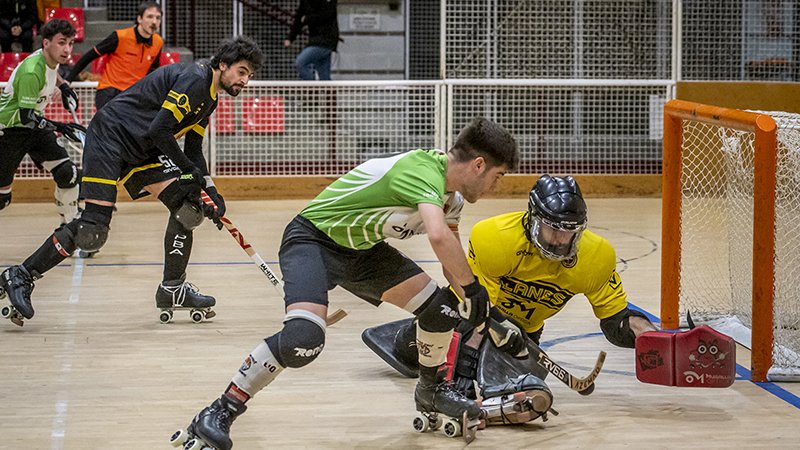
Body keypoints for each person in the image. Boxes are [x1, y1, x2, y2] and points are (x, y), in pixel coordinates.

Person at [171, 118, 520, 450]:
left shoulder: (452, 200)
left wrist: (487, 315)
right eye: (498, 176)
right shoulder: (422, 170)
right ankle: (220, 409)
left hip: (362, 252)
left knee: (442, 310)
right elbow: (438, 236)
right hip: (312, 240)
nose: (495, 186)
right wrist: (474, 291)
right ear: (478, 165)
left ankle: (432, 390)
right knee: (303, 340)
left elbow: (452, 261)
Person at [0, 36, 265, 327]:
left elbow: (191, 150)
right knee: (93, 230)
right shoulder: (194, 80)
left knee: (189, 209)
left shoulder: (210, 96)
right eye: (241, 72)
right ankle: (20, 275)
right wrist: (188, 172)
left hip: (143, 147)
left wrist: (210, 191)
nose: (245, 81)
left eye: (249, 76)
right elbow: (161, 130)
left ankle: (172, 288)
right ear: (223, 64)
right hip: (111, 137)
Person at [362, 174, 659, 424]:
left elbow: (615, 320)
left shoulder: (597, 256)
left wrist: (649, 336)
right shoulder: (495, 237)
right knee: (417, 349)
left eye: (569, 233)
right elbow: (479, 312)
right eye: (552, 229)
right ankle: (415, 336)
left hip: (524, 333)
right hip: (476, 314)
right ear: (533, 220)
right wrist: (463, 379)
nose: (560, 240)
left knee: (511, 385)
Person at [0, 19, 84, 226]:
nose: (67, 49)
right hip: (10, 131)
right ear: (46, 43)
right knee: (2, 198)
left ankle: (70, 227)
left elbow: (51, 73)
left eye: (71, 43)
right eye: (62, 43)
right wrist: (59, 127)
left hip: (34, 128)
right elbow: (25, 117)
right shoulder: (31, 71)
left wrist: (64, 86)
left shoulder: (49, 61)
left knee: (68, 174)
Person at [64, 1, 163, 110]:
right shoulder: (120, 37)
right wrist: (68, 79)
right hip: (110, 91)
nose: (154, 21)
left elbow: (153, 70)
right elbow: (89, 56)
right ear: (139, 19)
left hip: (133, 94)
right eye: (150, 17)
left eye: (158, 18)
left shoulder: (158, 42)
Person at [283, 0, 340, 80]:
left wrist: (307, 19)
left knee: (301, 62)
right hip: (317, 39)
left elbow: (327, 13)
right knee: (324, 76)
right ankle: (327, 90)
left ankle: (312, 87)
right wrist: (290, 38)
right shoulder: (306, 2)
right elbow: (298, 19)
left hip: (326, 39)